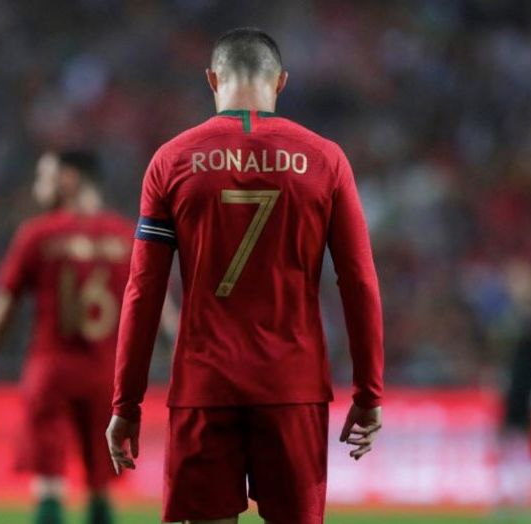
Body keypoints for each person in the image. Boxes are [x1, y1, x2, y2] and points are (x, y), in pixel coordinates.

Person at [106, 28, 385, 524]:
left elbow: (143, 290)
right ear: (281, 82)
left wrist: (126, 403)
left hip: (204, 386)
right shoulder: (325, 159)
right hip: (292, 385)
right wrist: (369, 392)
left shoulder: (171, 161)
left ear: (212, 79)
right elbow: (359, 280)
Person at [0, 150, 133, 524]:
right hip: (109, 373)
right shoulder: (125, 235)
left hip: (51, 368)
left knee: (49, 482)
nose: (38, 187)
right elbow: (156, 305)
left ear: (68, 179)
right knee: (101, 482)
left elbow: (5, 302)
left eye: (44, 177)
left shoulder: (38, 234)